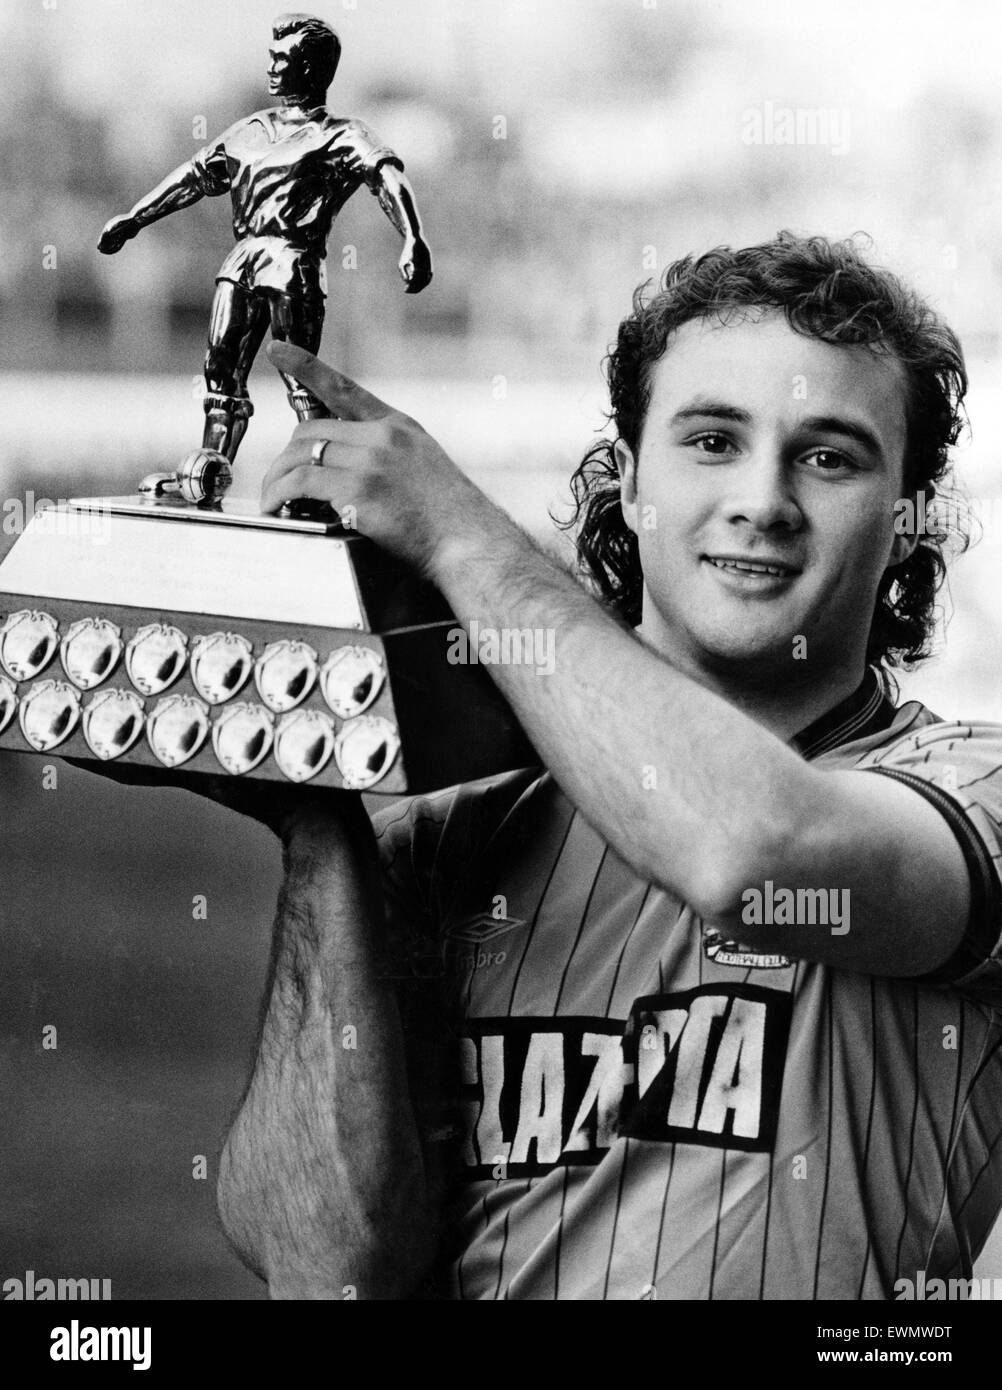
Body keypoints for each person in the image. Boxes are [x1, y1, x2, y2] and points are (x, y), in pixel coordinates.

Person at [118, 232, 1002, 1300]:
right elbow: (326, 1268)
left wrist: (457, 534)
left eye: (830, 456)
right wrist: (319, 828)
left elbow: (751, 851)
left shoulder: (971, 788)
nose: (763, 499)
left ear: (910, 517)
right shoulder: (454, 833)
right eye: (713, 441)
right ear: (628, 483)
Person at [97, 13, 432, 468]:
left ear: (311, 69)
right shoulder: (250, 131)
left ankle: (317, 477)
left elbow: (387, 178)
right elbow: (193, 178)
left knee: (299, 375)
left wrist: (413, 237)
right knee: (220, 367)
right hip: (243, 259)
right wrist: (134, 218)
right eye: (271, 56)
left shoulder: (340, 135)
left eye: (282, 58)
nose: (272, 66)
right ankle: (211, 470)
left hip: (293, 262)